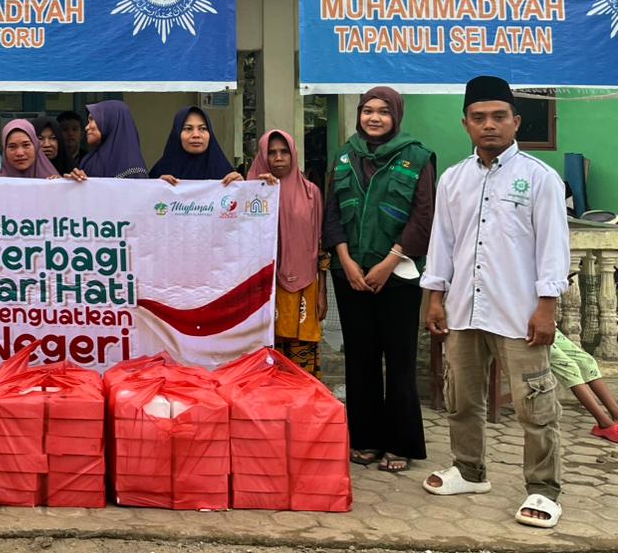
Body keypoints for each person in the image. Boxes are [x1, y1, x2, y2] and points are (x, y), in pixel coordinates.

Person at [422, 75, 570, 528]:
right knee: (461, 397)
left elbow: (553, 247)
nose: (489, 125)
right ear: (465, 124)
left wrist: (547, 307)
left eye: (499, 117)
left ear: (516, 122)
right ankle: (469, 470)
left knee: (534, 405)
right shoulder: (454, 179)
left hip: (519, 312)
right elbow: (442, 243)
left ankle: (544, 489)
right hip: (464, 308)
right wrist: (435, 298)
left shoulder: (539, 178)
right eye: (479, 117)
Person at [325, 86, 434, 473]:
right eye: (367, 110)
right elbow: (332, 214)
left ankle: (400, 444)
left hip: (398, 276)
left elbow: (423, 217)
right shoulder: (344, 156)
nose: (374, 118)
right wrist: (346, 260)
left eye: (383, 111)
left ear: (396, 116)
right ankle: (365, 439)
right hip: (350, 275)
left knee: (400, 361)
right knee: (360, 358)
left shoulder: (418, 157)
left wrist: (389, 262)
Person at [249, 130, 327, 377]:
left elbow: (320, 243)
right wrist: (257, 190)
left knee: (300, 366)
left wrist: (322, 291)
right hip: (263, 290)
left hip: (304, 288)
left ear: (293, 154)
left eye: (284, 152)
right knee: (265, 363)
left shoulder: (311, 193)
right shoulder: (251, 192)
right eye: (271, 153)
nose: (279, 158)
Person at [549, 327, 618, 442]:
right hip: (521, 333)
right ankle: (605, 424)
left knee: (587, 362)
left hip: (546, 326)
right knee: (569, 367)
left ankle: (616, 413)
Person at [151, 106, 234, 183]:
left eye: (203, 128)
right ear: (177, 134)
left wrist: (238, 185)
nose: (196, 135)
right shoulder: (161, 172)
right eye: (188, 128)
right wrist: (157, 186)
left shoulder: (225, 172)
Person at [0, 119, 86, 179]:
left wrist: (70, 185)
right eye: (12, 146)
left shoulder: (53, 179)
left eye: (26, 145)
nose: (20, 153)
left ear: (35, 146)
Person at [79, 101, 147, 179]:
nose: (86, 127)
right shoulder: (89, 160)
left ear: (110, 121)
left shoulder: (133, 170)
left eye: (92, 119)